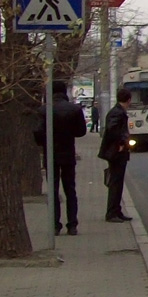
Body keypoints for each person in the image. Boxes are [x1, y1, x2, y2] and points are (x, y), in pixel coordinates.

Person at [32, 80, 88, 235]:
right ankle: (72, 224)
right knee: (70, 189)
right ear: (64, 92)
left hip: (51, 155)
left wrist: (44, 142)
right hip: (68, 153)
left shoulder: (44, 110)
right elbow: (81, 132)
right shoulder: (74, 109)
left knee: (53, 190)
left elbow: (37, 131)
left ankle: (55, 224)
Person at [100, 88, 134, 223]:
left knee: (118, 183)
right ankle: (112, 212)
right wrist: (121, 143)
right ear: (129, 100)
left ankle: (117, 210)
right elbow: (113, 130)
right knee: (115, 182)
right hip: (116, 152)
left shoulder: (118, 112)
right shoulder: (117, 113)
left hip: (117, 151)